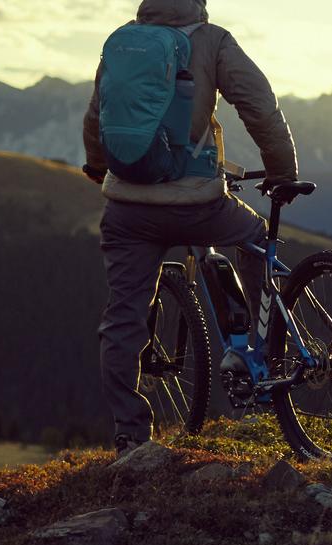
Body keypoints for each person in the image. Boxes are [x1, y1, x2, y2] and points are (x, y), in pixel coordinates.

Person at [82, 0, 299, 454]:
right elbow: (259, 105)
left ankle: (130, 433)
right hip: (198, 204)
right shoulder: (213, 40)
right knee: (257, 238)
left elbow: (98, 114)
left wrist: (98, 165)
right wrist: (281, 170)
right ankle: (263, 354)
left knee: (123, 318)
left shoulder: (124, 41)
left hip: (127, 208)